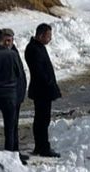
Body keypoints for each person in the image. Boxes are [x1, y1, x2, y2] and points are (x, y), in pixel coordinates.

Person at [24, 23, 62, 157]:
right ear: (40, 35)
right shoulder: (33, 49)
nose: (50, 39)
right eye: (48, 36)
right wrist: (49, 83)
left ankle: (41, 146)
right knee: (42, 120)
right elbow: (39, 72)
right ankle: (43, 147)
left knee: (43, 119)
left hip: (44, 90)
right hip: (41, 90)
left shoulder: (39, 47)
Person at [2, 28, 29, 163]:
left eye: (9, 40)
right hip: (8, 95)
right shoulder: (2, 54)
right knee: (10, 126)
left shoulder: (14, 51)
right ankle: (10, 154)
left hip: (17, 94)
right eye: (5, 40)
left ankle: (15, 152)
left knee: (14, 125)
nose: (7, 43)